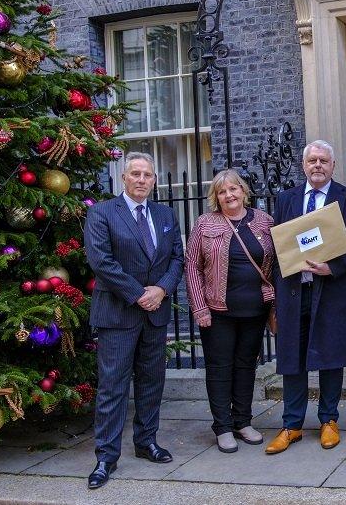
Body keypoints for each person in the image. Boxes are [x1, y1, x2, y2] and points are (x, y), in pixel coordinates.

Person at [83, 152, 184, 489]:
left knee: (151, 381)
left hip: (155, 315)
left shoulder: (166, 214)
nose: (142, 180)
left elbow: (176, 258)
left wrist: (162, 290)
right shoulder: (101, 213)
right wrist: (140, 293)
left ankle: (146, 442)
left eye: (148, 175)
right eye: (136, 174)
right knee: (113, 388)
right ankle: (106, 457)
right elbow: (102, 262)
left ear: (154, 180)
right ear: (123, 178)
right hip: (118, 314)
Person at [265, 140, 346, 454]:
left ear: (333, 165)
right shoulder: (286, 199)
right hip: (294, 292)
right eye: (312, 160)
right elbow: (277, 245)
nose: (317, 165)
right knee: (292, 359)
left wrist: (333, 266)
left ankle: (329, 419)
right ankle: (292, 425)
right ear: (303, 165)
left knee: (330, 357)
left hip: (331, 290)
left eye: (323, 160)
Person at [185, 169, 274, 453]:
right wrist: (199, 307)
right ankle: (222, 426)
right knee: (220, 368)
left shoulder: (264, 221)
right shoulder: (204, 224)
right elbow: (192, 267)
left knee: (246, 366)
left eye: (233, 189)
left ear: (243, 191)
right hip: (217, 310)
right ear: (216, 197)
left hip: (255, 309)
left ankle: (243, 421)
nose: (229, 195)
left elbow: (280, 260)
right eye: (222, 192)